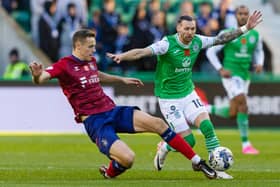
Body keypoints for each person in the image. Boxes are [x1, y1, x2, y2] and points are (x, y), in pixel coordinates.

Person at [29, 29, 216, 179]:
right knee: (128, 159)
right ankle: (110, 172)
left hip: (112, 110)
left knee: (159, 124)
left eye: (94, 46)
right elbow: (42, 78)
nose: (94, 50)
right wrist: (37, 75)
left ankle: (198, 162)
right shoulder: (64, 65)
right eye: (90, 47)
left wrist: (122, 80)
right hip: (95, 121)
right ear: (78, 46)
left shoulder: (91, 61)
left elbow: (97, 75)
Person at [107, 11, 263, 179]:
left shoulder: (197, 41)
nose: (190, 32)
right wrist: (122, 56)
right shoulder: (167, 44)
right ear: (178, 28)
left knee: (208, 128)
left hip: (188, 92)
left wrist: (246, 28)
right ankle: (165, 147)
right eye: (186, 29)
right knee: (189, 142)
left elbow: (222, 38)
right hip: (168, 98)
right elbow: (141, 52)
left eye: (193, 29)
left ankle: (217, 169)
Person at [206, 5, 264, 155]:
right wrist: (220, 69)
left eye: (246, 13)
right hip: (231, 75)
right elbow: (211, 51)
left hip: (245, 76)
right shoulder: (228, 34)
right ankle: (246, 145)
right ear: (236, 16)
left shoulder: (255, 35)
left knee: (233, 113)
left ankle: (204, 108)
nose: (243, 16)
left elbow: (259, 51)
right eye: (240, 14)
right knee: (243, 103)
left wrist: (259, 63)